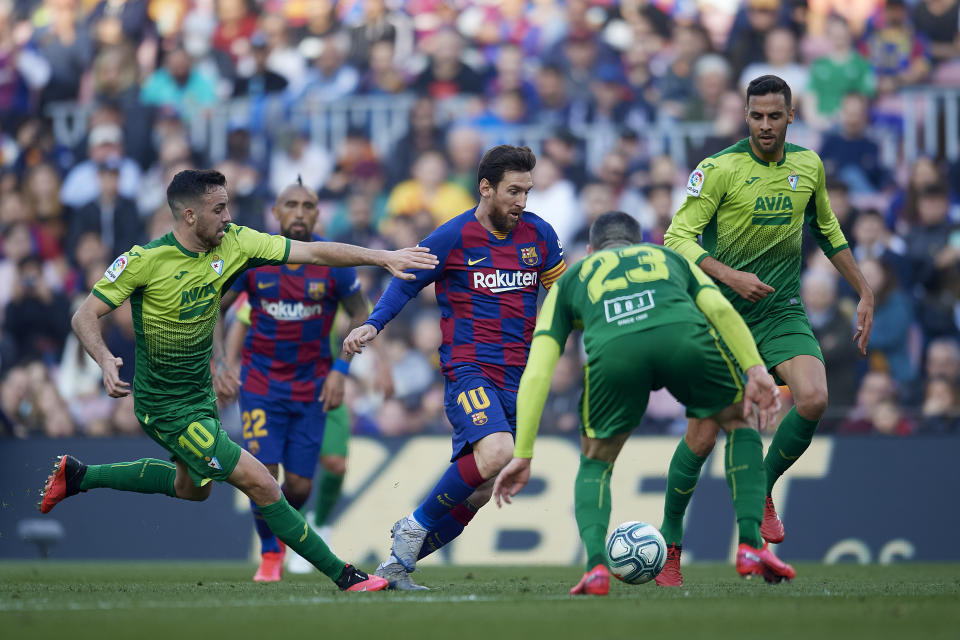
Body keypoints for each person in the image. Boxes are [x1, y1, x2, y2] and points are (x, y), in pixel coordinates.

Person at [38, 169, 438, 593]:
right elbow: (83, 315)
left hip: (201, 399)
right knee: (263, 482)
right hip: (165, 408)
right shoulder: (145, 260)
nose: (228, 216)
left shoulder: (236, 243)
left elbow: (317, 252)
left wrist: (383, 257)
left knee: (192, 490)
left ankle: (79, 476)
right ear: (190, 215)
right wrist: (103, 359)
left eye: (227, 205)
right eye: (219, 208)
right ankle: (345, 575)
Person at [491, 212, 792, 595]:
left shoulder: (572, 278)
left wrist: (524, 452)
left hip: (617, 355)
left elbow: (538, 368)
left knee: (596, 462)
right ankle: (751, 545)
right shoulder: (668, 257)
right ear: (637, 242)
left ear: (590, 249)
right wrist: (756, 369)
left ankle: (597, 568)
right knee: (738, 420)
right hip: (683, 340)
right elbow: (718, 309)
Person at [661, 75, 874, 585]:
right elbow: (676, 238)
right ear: (745, 115)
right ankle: (670, 546)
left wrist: (864, 290)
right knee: (703, 433)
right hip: (720, 318)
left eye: (773, 116)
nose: (764, 125)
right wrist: (731, 275)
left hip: (780, 312)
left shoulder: (808, 165)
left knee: (814, 398)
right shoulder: (719, 170)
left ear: (790, 117)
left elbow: (827, 231)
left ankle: (761, 486)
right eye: (755, 116)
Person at [342, 145, 566, 590]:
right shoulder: (453, 236)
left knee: (484, 485)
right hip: (470, 370)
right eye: (513, 191)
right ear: (485, 188)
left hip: (520, 377)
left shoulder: (540, 234)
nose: (522, 201)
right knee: (500, 452)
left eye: (527, 191)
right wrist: (372, 323)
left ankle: (397, 565)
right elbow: (405, 282)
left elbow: (562, 295)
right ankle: (414, 524)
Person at [214, 178, 383, 582]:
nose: (300, 212)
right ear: (276, 212)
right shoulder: (255, 259)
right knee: (263, 473)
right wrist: (221, 363)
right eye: (291, 204)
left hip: (311, 386)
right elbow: (214, 307)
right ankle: (271, 554)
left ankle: (289, 532)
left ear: (318, 213)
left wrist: (341, 369)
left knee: (302, 486)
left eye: (308, 205)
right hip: (260, 384)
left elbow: (365, 316)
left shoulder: (332, 263)